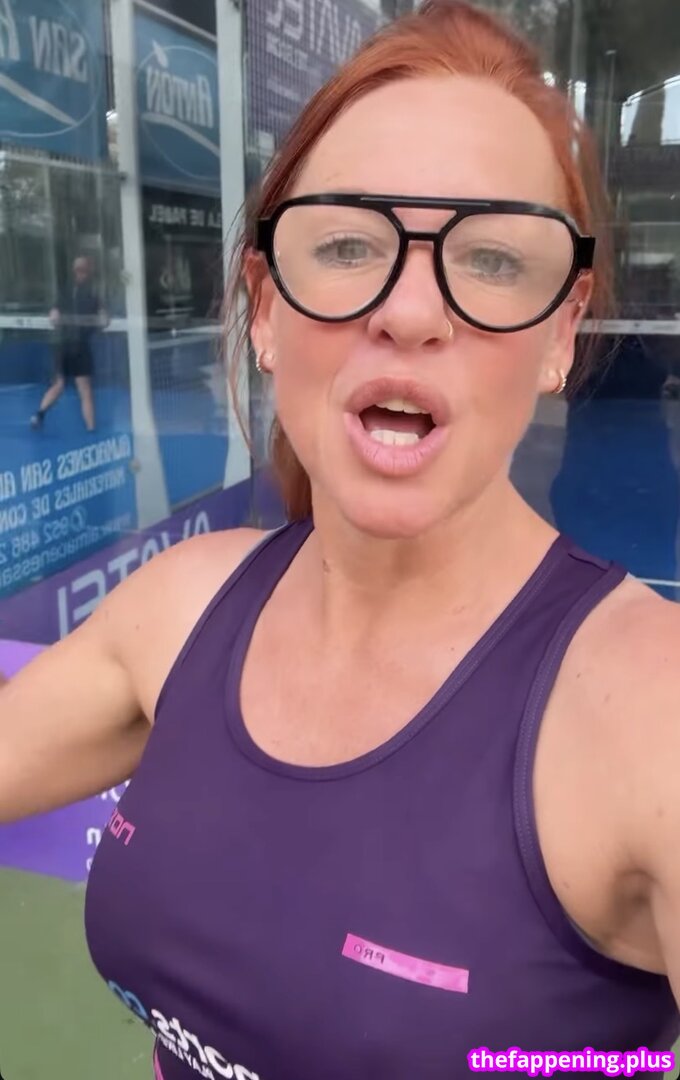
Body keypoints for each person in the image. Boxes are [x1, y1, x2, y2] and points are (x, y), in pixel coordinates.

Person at [2, 3, 680, 1077]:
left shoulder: (648, 718)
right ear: (267, 310)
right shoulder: (180, 609)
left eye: (492, 259)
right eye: (349, 244)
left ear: (559, 331)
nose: (409, 312)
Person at [30, 255, 106, 433]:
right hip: (64, 345)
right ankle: (39, 414)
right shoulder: (66, 292)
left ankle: (91, 429)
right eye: (78, 270)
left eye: (84, 269)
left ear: (89, 271)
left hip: (81, 346)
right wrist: (54, 315)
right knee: (59, 385)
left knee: (84, 389)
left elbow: (104, 315)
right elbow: (54, 312)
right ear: (74, 271)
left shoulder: (94, 293)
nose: (81, 273)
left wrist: (103, 318)